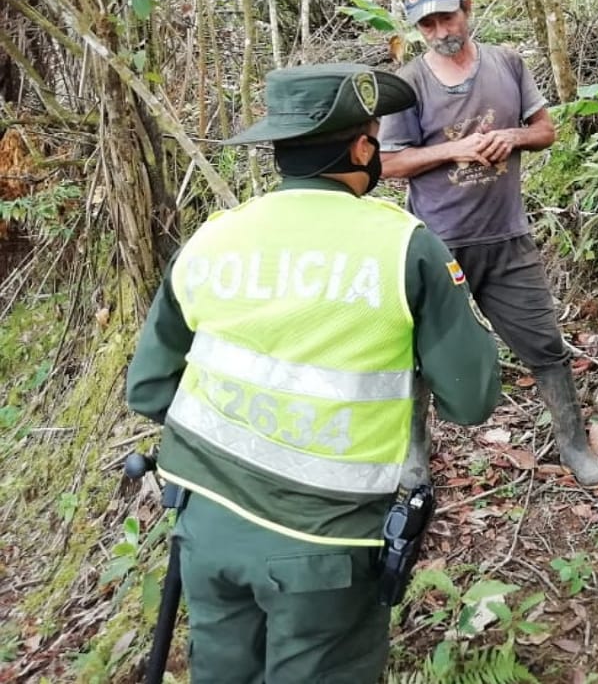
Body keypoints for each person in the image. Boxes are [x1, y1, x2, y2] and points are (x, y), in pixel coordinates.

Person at [125, 63, 502, 683]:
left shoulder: (214, 237)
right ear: (363, 150)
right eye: (374, 135)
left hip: (206, 523)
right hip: (325, 549)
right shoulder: (404, 247)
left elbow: (147, 390)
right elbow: (473, 399)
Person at [379, 0, 598, 488]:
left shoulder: (507, 64)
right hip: (437, 246)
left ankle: (573, 445)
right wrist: (454, 150)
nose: (440, 32)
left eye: (447, 17)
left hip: (506, 237)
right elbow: (388, 163)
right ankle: (415, 453)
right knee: (419, 354)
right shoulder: (410, 84)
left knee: (544, 344)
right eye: (427, 25)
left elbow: (545, 130)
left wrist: (512, 137)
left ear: (467, 8)